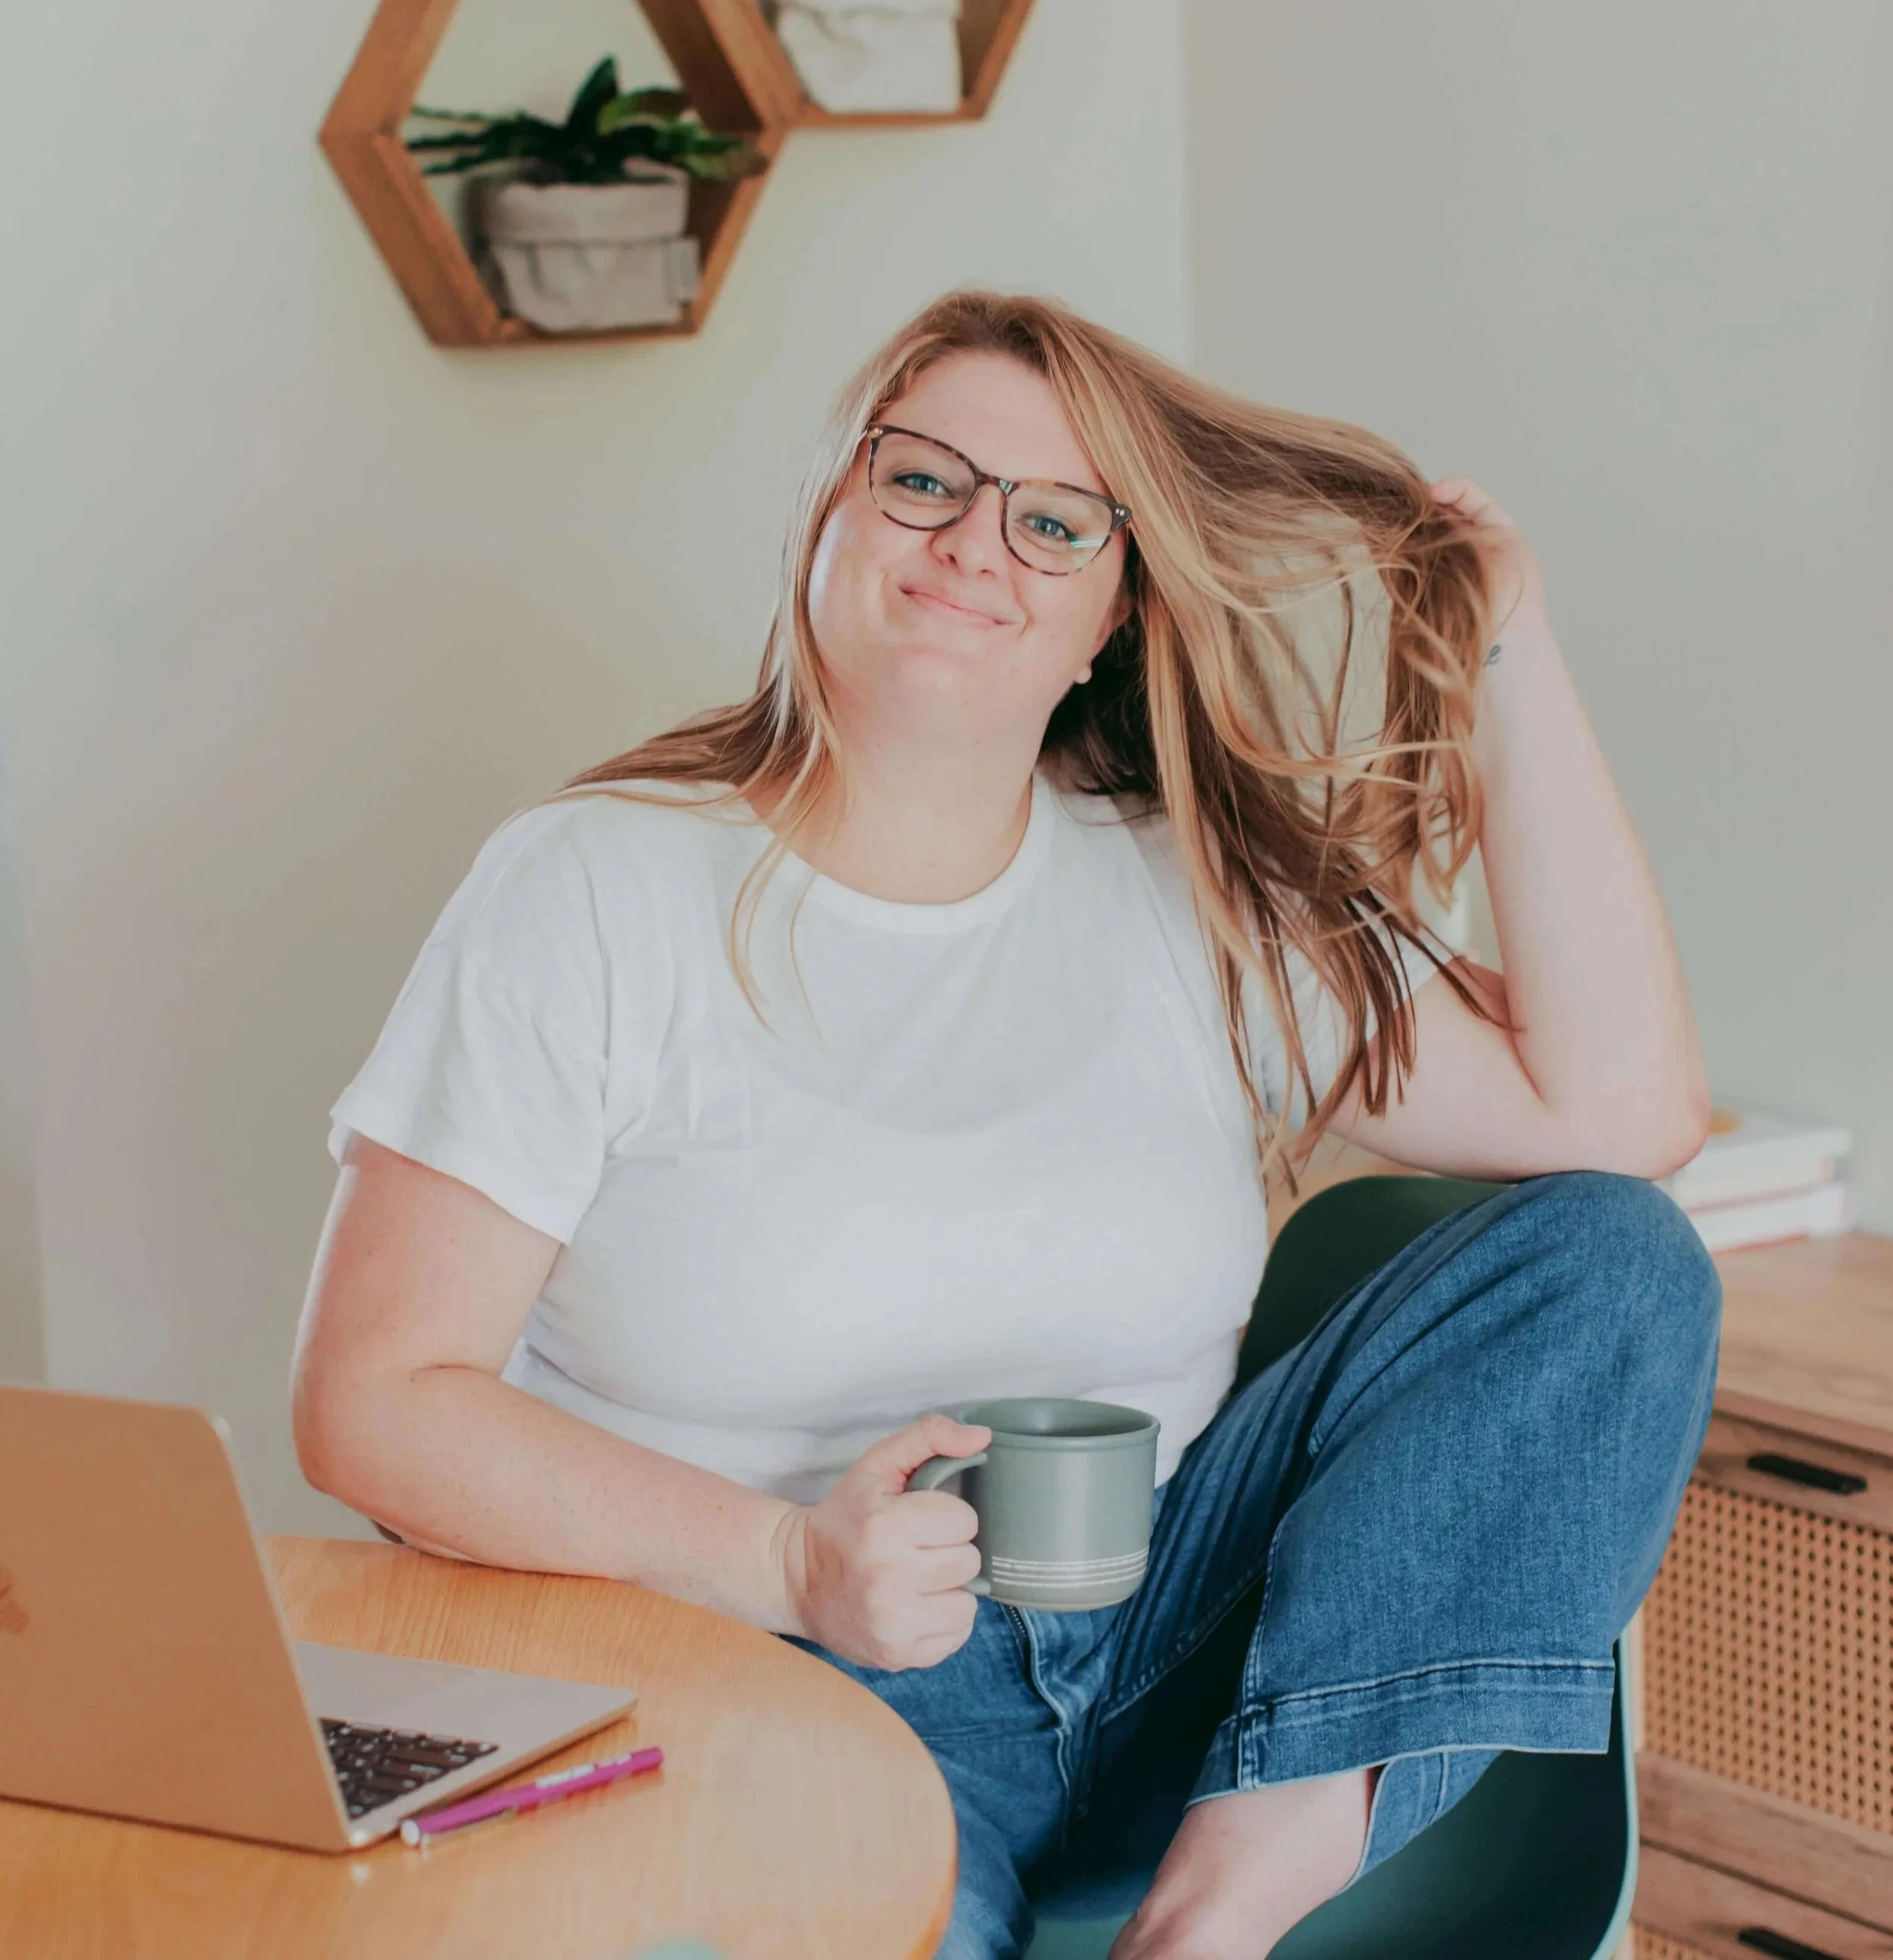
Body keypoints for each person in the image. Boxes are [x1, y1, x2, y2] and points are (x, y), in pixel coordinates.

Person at [292, 289, 1720, 1960]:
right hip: (783, 1682)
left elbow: (1623, 1110)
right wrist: (786, 1559)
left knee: (1608, 1256)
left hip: (1167, 1668)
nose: (979, 541)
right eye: (923, 482)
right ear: (831, 508)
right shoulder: (596, 886)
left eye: (1053, 521)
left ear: (1110, 612)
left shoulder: (1180, 884)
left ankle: (1213, 1916)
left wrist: (1502, 645)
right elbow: (374, 1404)